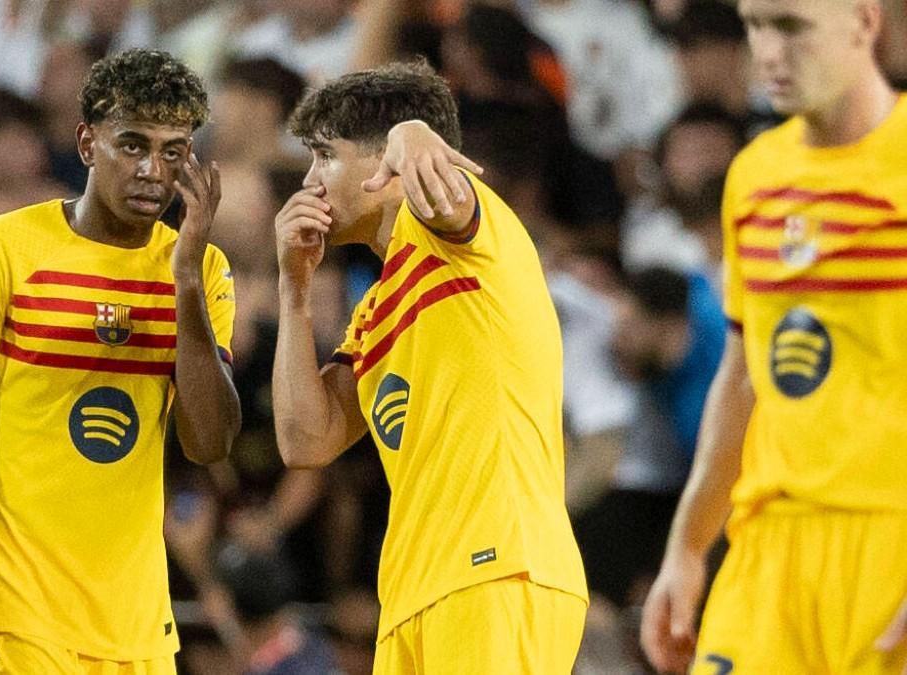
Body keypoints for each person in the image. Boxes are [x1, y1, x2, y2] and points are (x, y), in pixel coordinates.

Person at [0, 48, 240, 675]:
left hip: (137, 626)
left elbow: (209, 441)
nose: (153, 170)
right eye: (133, 145)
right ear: (88, 144)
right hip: (9, 616)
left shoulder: (202, 270)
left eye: (173, 152)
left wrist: (187, 286)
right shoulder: (0, 247)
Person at [271, 61, 587, 673]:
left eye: (325, 157)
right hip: (413, 595)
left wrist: (412, 130)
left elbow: (449, 197)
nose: (309, 181)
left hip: (497, 570)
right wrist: (295, 290)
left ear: (388, 167)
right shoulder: (373, 309)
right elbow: (304, 440)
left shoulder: (461, 235)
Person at [639, 1, 907, 672]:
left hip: (889, 537)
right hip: (769, 546)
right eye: (756, 25)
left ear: (864, 22)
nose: (769, 52)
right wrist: (689, 544)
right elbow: (742, 373)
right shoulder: (755, 175)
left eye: (791, 26)